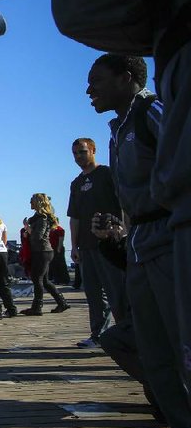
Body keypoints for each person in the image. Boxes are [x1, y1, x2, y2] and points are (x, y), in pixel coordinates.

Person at [86, 52, 191, 428]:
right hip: (141, 240)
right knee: (151, 347)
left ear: (126, 77)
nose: (88, 89)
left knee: (181, 343)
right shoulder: (118, 128)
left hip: (168, 235)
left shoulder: (152, 111)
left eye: (96, 79)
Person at [68, 138, 125, 348]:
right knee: (93, 293)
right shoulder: (76, 183)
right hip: (86, 244)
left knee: (116, 291)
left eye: (82, 152)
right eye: (75, 153)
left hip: (111, 243)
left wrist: (123, 232)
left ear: (93, 150)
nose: (78, 157)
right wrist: (74, 246)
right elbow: (74, 217)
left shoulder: (108, 174)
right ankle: (98, 334)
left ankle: (126, 333)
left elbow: (123, 203)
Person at [21, 194, 70, 316]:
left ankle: (37, 307)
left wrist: (28, 229)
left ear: (37, 203)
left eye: (32, 201)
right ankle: (61, 303)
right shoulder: (38, 218)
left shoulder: (42, 219)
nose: (30, 203)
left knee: (37, 279)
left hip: (42, 252)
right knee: (45, 280)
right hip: (42, 251)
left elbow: (38, 236)